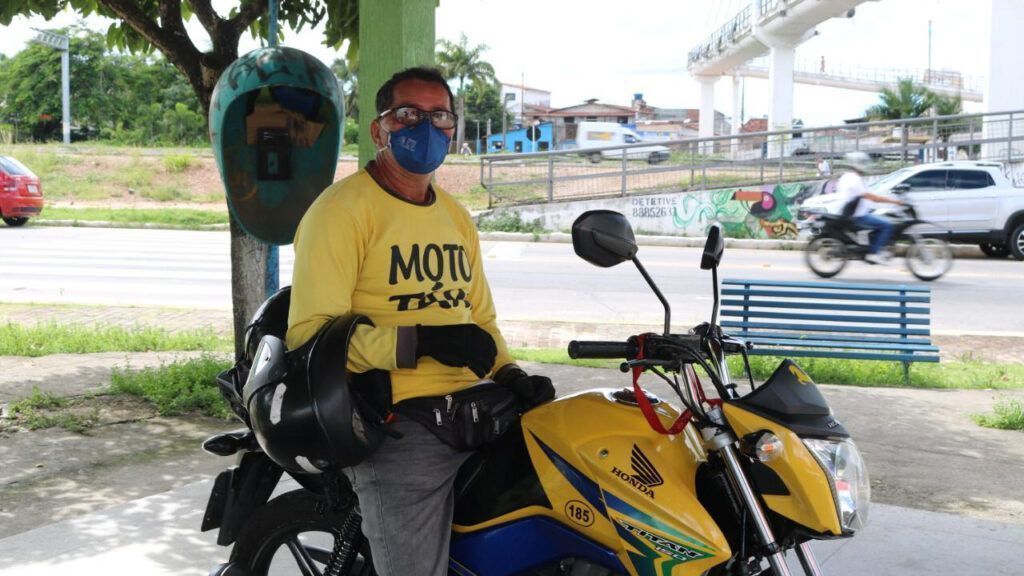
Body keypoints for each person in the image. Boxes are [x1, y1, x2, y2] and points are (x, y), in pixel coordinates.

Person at [286, 66, 554, 576]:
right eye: (407, 114)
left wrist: (511, 374)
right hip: (399, 421)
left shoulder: (455, 216)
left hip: (475, 408)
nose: (424, 127)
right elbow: (310, 336)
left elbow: (481, 319)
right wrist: (421, 343)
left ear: (454, 129)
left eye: (439, 115)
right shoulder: (342, 211)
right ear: (379, 129)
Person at [836, 151, 904, 264]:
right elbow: (871, 197)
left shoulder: (846, 177)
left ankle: (874, 246)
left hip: (851, 213)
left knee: (881, 219)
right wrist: (894, 201)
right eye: (863, 163)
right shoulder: (855, 179)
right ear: (858, 164)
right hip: (858, 216)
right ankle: (873, 253)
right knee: (887, 226)